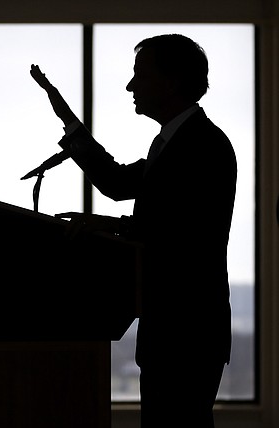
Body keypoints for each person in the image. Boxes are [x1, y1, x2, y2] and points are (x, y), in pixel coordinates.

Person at [30, 34, 236, 427]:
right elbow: (117, 184)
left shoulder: (204, 147)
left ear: (171, 81)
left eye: (140, 75)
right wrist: (68, 120)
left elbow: (172, 236)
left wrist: (98, 227)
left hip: (187, 333)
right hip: (173, 331)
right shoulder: (175, 143)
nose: (130, 86)